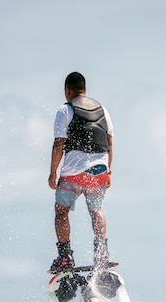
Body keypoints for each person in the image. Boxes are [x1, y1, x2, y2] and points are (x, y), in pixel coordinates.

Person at [48, 72, 114, 272]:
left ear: (67, 90)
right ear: (84, 90)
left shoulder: (65, 110)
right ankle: (102, 254)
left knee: (61, 212)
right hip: (100, 170)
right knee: (96, 211)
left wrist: (53, 173)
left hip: (74, 171)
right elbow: (109, 141)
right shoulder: (103, 109)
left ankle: (65, 257)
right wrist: (108, 171)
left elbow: (59, 143)